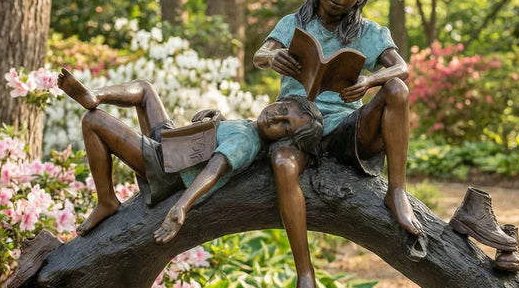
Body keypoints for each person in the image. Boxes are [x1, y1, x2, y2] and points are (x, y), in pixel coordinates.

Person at [253, 0, 422, 288]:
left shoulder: (370, 31)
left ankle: (397, 192)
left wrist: (372, 80)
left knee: (397, 88)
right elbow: (260, 53)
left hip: (347, 128)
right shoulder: (293, 23)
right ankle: (305, 274)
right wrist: (273, 57)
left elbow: (403, 68)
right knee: (281, 165)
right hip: (298, 122)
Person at [57, 70, 322, 247]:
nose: (276, 117)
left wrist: (181, 207)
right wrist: (219, 119)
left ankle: (106, 200)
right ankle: (96, 95)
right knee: (145, 89)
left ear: (282, 141)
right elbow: (227, 138)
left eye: (284, 126)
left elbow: (213, 171)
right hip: (175, 143)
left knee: (94, 121)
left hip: (165, 168)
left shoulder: (246, 142)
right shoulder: (250, 129)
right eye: (283, 109)